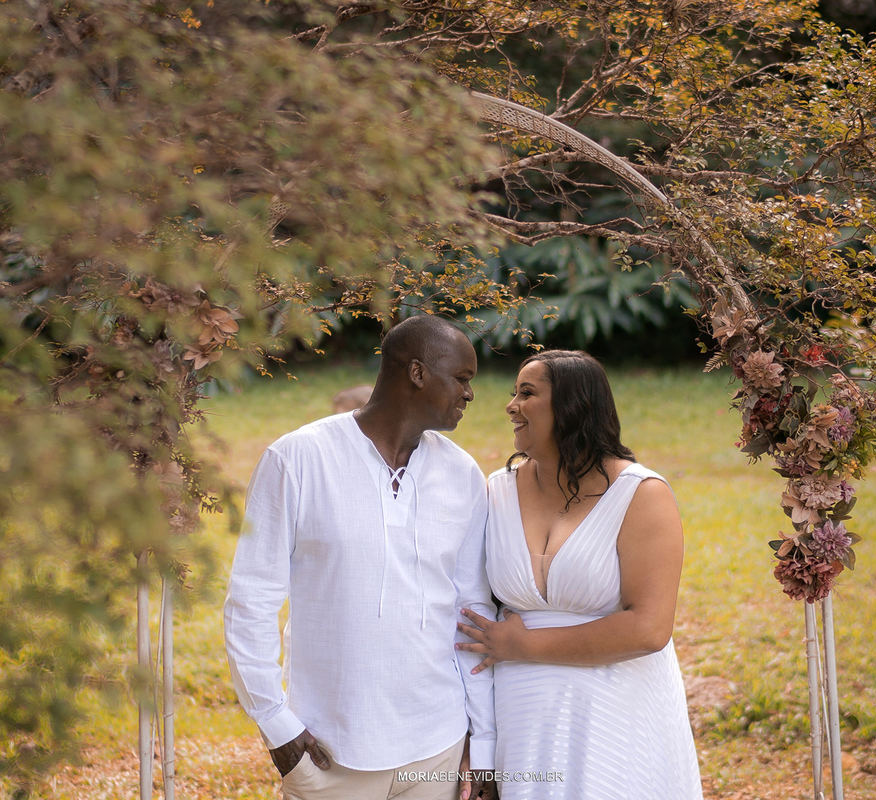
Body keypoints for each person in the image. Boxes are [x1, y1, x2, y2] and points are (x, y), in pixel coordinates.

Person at [224, 315, 498, 800]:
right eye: (461, 378)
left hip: (437, 742)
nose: (470, 394)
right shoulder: (298, 459)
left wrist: (483, 739)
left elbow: (472, 613)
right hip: (330, 748)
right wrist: (274, 722)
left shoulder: (463, 474)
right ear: (416, 373)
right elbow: (252, 600)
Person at [457, 350, 703, 800]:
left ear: (573, 406)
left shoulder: (642, 495)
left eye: (526, 393)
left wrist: (524, 645)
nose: (511, 405)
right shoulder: (494, 491)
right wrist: (481, 745)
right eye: (514, 393)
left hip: (615, 713)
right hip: (522, 715)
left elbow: (648, 628)